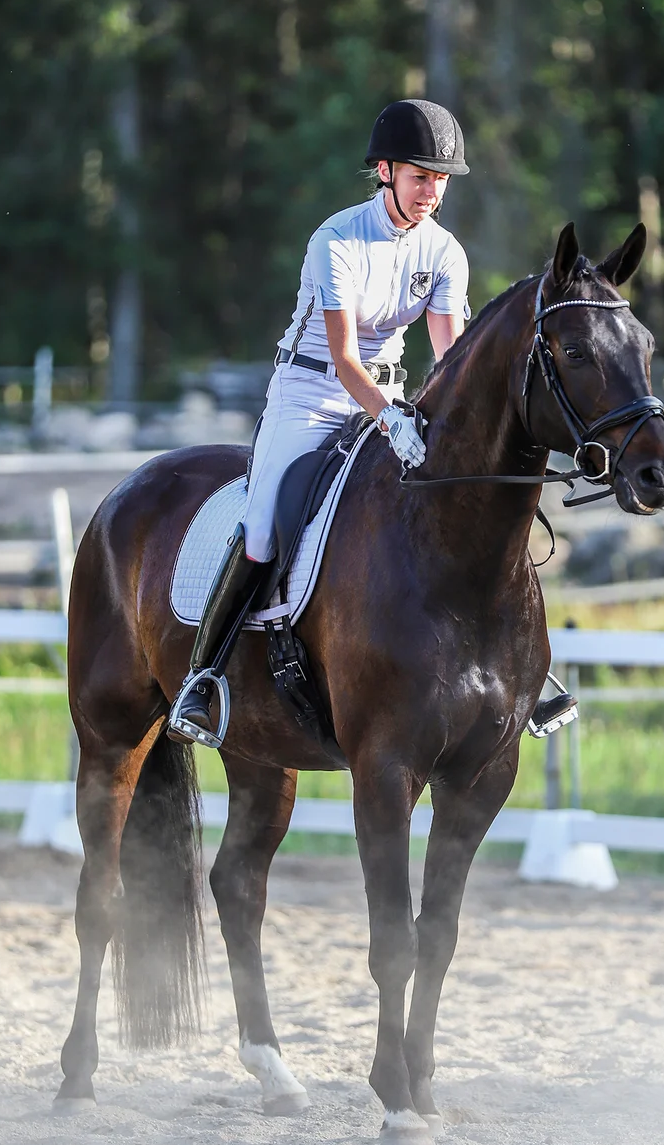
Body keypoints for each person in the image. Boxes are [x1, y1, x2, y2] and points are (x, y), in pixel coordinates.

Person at [168, 98, 577, 746]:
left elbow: (454, 359)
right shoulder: (336, 241)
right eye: (421, 177)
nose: (432, 192)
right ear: (385, 171)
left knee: (468, 505)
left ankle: (522, 668)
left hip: (396, 399)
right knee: (265, 525)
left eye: (441, 180)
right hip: (310, 396)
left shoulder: (445, 253)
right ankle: (205, 675)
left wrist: (460, 428)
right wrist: (391, 420)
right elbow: (343, 358)